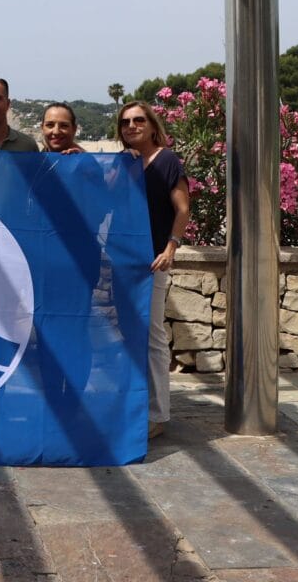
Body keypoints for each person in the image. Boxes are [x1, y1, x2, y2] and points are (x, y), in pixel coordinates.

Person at [117, 100, 191, 440]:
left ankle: (158, 414)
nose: (132, 126)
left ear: (151, 124)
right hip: (123, 261)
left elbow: (183, 208)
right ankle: (133, 406)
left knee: (152, 338)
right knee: (129, 336)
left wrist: (171, 248)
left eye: (138, 120)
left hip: (152, 262)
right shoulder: (125, 162)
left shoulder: (167, 160)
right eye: (125, 122)